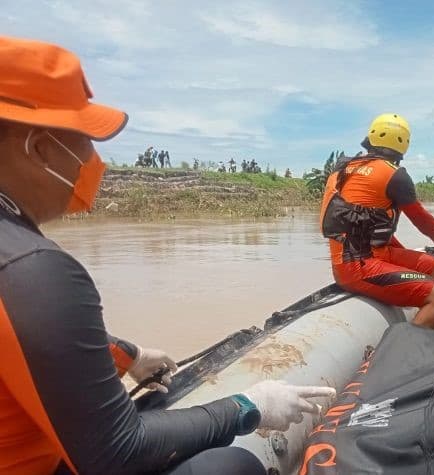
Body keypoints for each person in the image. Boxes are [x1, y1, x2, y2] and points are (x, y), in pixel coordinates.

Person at [0, 36, 336, 475]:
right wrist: (247, 405)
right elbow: (116, 452)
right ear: (40, 147)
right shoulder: (34, 268)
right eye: (85, 140)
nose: (94, 160)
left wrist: (129, 354)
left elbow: (27, 337)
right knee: (230, 465)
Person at [319, 113, 434, 332]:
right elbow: (422, 220)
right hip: (358, 265)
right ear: (403, 143)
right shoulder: (395, 175)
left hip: (371, 254)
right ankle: (403, 354)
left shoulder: (342, 170)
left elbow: (363, 224)